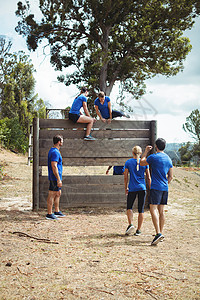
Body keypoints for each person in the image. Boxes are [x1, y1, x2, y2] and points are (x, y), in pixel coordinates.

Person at [140, 138, 173, 245]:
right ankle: (161, 233)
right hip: (165, 188)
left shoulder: (153, 157)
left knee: (152, 208)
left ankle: (158, 233)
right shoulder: (168, 159)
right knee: (161, 211)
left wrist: (145, 151)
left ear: (156, 146)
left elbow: (141, 163)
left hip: (156, 187)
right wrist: (165, 184)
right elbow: (171, 176)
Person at [124, 146, 151, 236]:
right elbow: (148, 177)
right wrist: (150, 189)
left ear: (132, 153)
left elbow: (125, 176)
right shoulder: (145, 163)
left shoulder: (128, 162)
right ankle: (138, 230)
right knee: (141, 209)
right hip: (142, 188)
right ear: (140, 153)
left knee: (129, 207)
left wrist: (126, 187)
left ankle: (131, 224)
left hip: (132, 188)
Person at [46, 134, 65, 220]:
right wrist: (58, 179)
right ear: (59, 142)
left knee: (58, 193)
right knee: (52, 194)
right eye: (62, 140)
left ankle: (56, 211)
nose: (63, 142)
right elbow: (54, 166)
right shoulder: (55, 152)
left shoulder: (55, 151)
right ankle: (49, 214)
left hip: (57, 177)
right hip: (54, 177)